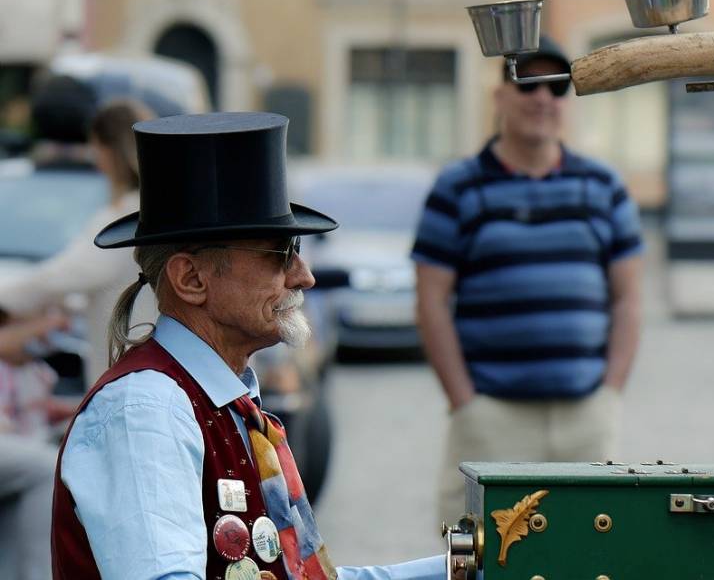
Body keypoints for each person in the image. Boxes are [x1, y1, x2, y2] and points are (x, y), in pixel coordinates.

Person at [51, 112, 442, 580]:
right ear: (191, 278)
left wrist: (462, 570)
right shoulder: (147, 409)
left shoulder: (218, 402)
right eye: (280, 253)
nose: (304, 276)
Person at [412, 36, 645, 528]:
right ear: (500, 97)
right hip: (491, 417)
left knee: (590, 551)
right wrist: (464, 402)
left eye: (557, 87)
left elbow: (627, 299)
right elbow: (431, 301)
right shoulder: (457, 188)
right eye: (528, 84)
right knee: (481, 557)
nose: (543, 97)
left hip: (586, 416)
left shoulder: (603, 187)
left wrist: (610, 394)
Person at [0, 99, 159, 387]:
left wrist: (7, 300)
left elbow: (69, 273)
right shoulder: (156, 212)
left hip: (129, 370)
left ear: (108, 151)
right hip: (144, 364)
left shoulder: (126, 215)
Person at [0, 312, 70, 580]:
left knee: (20, 494)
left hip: (25, 449)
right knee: (47, 467)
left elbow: (45, 410)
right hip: (23, 448)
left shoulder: (34, 371)